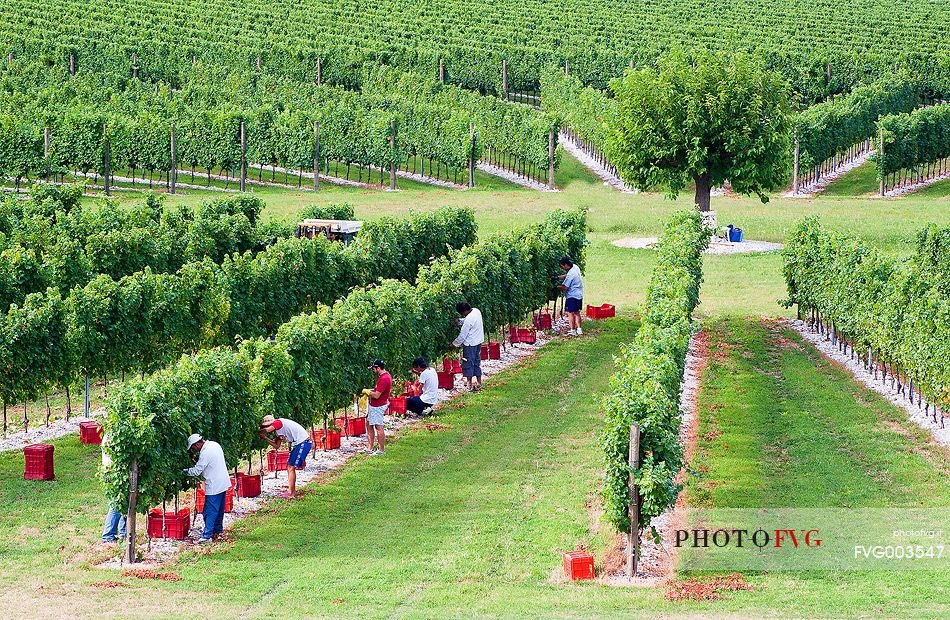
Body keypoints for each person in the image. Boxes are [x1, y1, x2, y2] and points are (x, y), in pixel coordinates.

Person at [184, 433, 230, 543]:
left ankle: (206, 536)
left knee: (209, 511)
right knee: (219, 510)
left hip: (214, 485)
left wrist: (183, 471)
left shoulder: (205, 453)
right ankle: (217, 532)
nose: (194, 450)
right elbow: (210, 463)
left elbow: (197, 471)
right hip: (223, 482)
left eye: (194, 447)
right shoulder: (214, 445)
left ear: (197, 444)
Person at [259, 415, 312, 498]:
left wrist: (258, 431)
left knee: (291, 467)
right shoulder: (278, 432)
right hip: (298, 444)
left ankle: (291, 493)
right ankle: (291, 491)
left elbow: (268, 430)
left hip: (303, 443)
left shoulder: (278, 422)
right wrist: (265, 438)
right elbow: (277, 446)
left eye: (265, 426)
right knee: (289, 466)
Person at [100, 433, 126, 544]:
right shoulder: (113, 435)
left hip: (114, 473)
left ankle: (125, 533)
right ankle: (108, 535)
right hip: (114, 473)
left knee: (126, 503)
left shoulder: (111, 433)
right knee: (117, 504)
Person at [452, 301, 484, 391]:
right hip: (478, 341)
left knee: (468, 363)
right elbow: (469, 321)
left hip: (470, 344)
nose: (463, 315)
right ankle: (479, 383)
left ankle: (469, 385)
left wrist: (454, 344)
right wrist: (459, 322)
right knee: (476, 362)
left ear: (464, 311)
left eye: (462, 314)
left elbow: (462, 336)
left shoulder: (468, 319)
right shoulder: (476, 311)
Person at [362, 359, 391, 455]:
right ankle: (370, 447)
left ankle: (381, 450)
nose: (373, 370)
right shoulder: (384, 376)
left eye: (373, 368)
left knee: (378, 426)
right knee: (369, 423)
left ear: (378, 368)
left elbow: (377, 395)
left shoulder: (384, 379)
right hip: (374, 405)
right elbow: (377, 390)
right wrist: (367, 391)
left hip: (378, 406)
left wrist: (368, 392)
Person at [557, 256, 584, 335]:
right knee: (577, 312)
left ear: (565, 265)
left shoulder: (570, 275)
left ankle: (572, 331)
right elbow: (566, 275)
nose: (562, 268)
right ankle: (579, 330)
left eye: (562, 266)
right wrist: (557, 278)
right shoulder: (575, 267)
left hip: (572, 296)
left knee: (570, 312)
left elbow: (565, 287)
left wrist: (556, 287)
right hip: (579, 294)